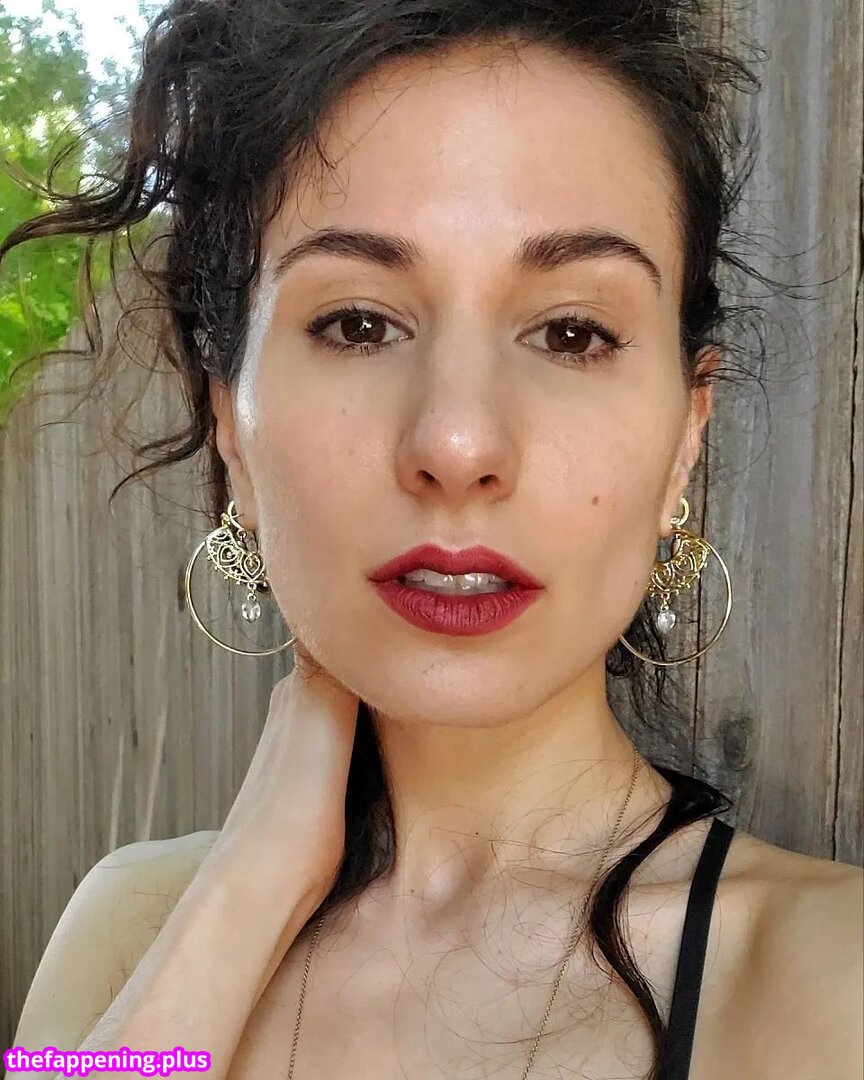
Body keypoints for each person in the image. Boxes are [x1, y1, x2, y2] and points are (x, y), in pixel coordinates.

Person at [3, 2, 862, 1078]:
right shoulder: (128, 927)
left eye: (572, 332)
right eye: (358, 324)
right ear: (230, 424)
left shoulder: (834, 978)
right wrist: (248, 887)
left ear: (687, 435)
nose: (458, 444)